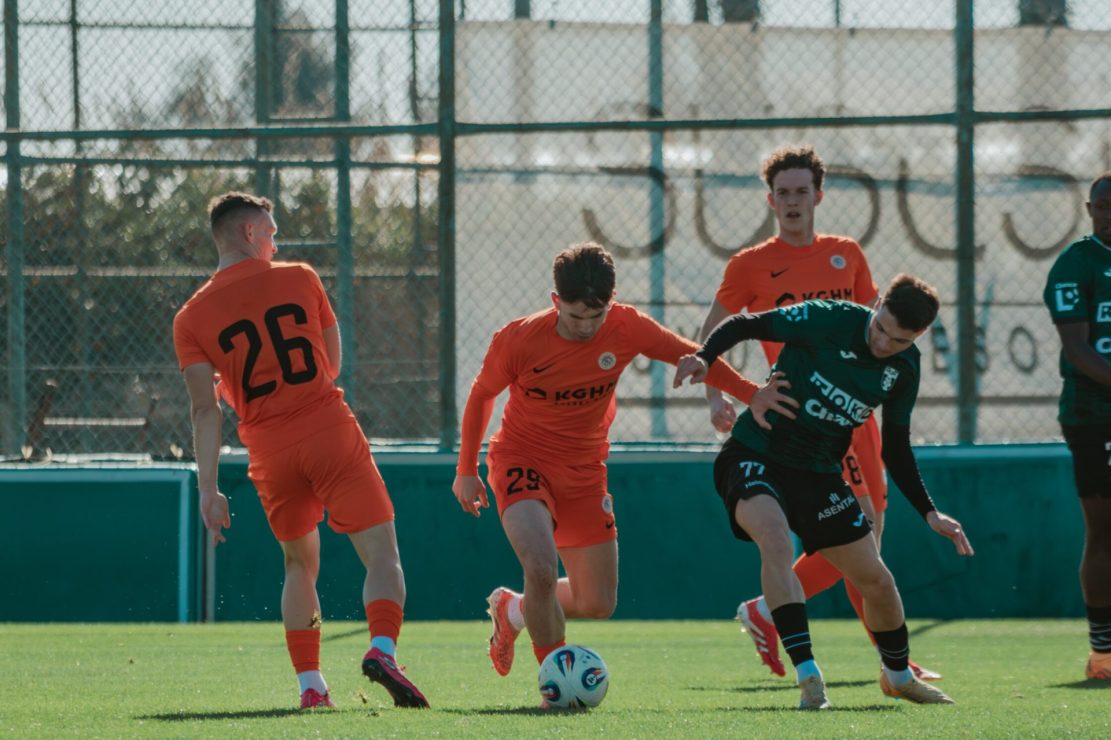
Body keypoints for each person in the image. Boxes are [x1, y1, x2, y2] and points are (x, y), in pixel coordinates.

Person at [451, 242, 788, 705]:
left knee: (597, 602)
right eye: (575, 316)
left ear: (611, 302)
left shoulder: (626, 326)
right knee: (541, 569)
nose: (587, 327)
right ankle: (555, 686)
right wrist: (466, 468)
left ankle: (513, 610)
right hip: (521, 459)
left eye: (597, 315)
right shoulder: (518, 339)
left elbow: (693, 355)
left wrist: (752, 394)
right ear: (555, 301)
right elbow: (481, 395)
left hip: (585, 470)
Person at [173, 192, 429, 710]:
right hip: (327, 429)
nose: (276, 242)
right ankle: (382, 650)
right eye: (271, 232)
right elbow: (330, 366)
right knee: (382, 555)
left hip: (269, 450)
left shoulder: (190, 317)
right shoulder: (301, 277)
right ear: (249, 233)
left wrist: (208, 489)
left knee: (298, 566)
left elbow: (205, 410)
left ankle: (311, 686)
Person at [698, 143, 940, 682]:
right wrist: (719, 395)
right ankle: (880, 657)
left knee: (870, 537)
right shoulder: (749, 264)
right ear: (770, 200)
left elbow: (879, 330)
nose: (792, 201)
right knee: (854, 533)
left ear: (818, 196)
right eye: (782, 192)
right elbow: (716, 327)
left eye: (801, 191)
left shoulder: (846, 253)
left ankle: (785, 616)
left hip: (856, 418)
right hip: (798, 418)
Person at [675, 274, 974, 709]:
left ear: (919, 336)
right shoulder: (827, 318)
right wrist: (705, 357)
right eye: (880, 328)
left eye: (898, 340)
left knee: (877, 581)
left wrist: (930, 512)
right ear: (877, 307)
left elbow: (896, 447)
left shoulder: (905, 368)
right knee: (776, 541)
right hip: (755, 453)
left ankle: (897, 676)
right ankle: (809, 677)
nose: (883, 343)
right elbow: (743, 324)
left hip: (818, 474)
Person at [1042, 172, 1111, 681]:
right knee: (1104, 530)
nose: (1110, 215)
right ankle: (1104, 652)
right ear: (1089, 210)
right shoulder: (1075, 264)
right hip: (1094, 415)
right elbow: (1078, 349)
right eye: (1103, 206)